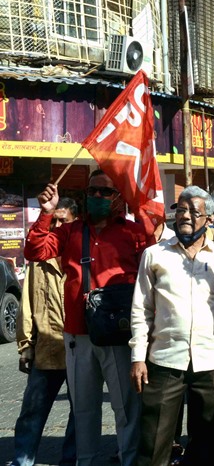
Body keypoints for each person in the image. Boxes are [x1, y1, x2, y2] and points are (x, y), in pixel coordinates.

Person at [24, 170, 151, 466]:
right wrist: (46, 213)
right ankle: (87, 461)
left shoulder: (133, 233)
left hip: (119, 335)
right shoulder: (70, 230)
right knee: (83, 409)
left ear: (117, 197)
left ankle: (129, 460)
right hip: (78, 334)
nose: (97, 197)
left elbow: (151, 279)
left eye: (105, 192)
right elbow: (35, 251)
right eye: (92, 191)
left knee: (126, 407)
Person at [130, 185, 214, 466]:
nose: (186, 216)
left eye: (195, 211)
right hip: (165, 361)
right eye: (181, 209)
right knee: (153, 440)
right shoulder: (155, 255)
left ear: (209, 219)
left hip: (211, 362)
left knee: (208, 443)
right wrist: (138, 357)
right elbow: (141, 308)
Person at [12, 197, 79, 466]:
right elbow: (26, 304)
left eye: (64, 221)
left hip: (79, 349)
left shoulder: (83, 256)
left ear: (75, 222)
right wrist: (25, 344)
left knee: (81, 413)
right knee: (32, 411)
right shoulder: (40, 259)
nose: (59, 226)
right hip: (46, 350)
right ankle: (22, 459)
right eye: (55, 221)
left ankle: (71, 460)